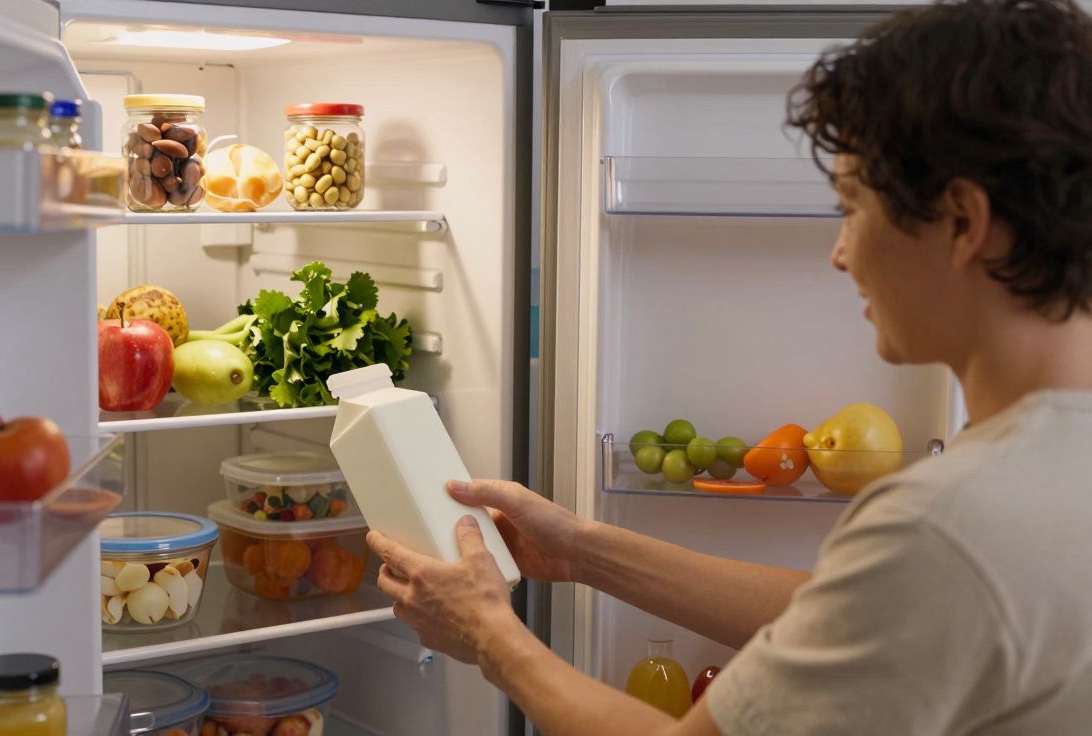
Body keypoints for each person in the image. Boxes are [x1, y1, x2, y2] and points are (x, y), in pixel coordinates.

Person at [365, 0, 1092, 733]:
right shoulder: (1013, 492)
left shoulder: (944, 526)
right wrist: (583, 549)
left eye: (850, 207)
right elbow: (857, 615)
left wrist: (492, 637)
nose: (840, 253)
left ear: (962, 222)